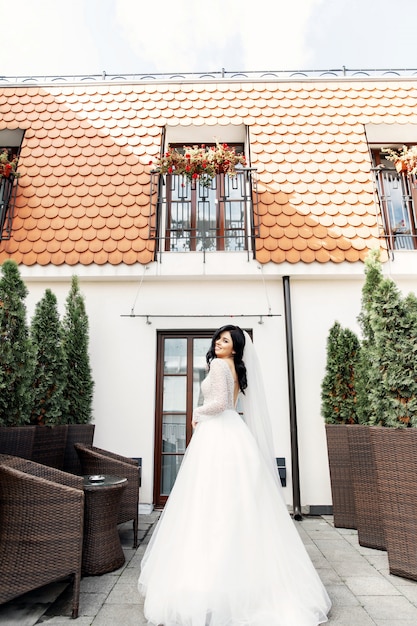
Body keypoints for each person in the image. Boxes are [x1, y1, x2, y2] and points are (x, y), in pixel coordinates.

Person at [138, 325, 331, 626]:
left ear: (236, 347)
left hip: (216, 434)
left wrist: (196, 414)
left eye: (225, 340)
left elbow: (218, 405)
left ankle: (209, 581)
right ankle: (246, 581)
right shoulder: (236, 369)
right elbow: (232, 404)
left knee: (208, 503)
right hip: (235, 434)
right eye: (218, 338)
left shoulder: (217, 365)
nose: (218, 343)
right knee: (238, 506)